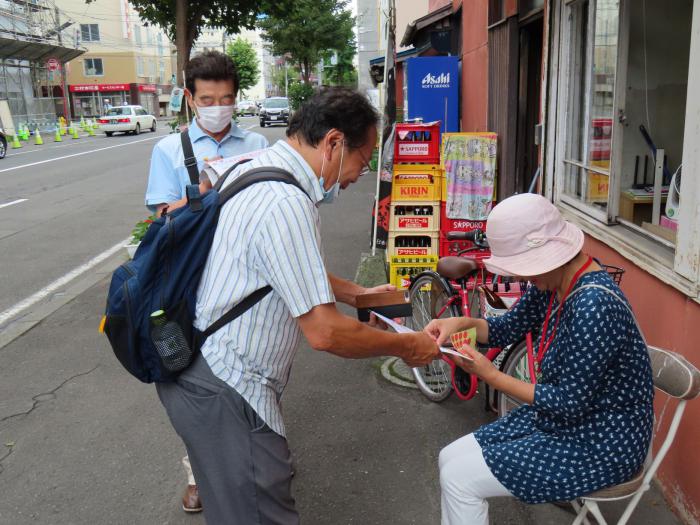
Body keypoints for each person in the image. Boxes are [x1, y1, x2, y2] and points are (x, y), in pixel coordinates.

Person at [155, 86, 439, 524]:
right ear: (333, 143)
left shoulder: (253, 165)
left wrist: (359, 294)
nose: (354, 177)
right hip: (229, 385)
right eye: (362, 164)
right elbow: (325, 333)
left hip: (202, 373)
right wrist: (408, 346)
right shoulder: (285, 202)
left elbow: (284, 266)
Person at [425, 193, 654, 525]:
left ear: (547, 255)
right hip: (570, 423)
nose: (523, 279)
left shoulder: (594, 305)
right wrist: (459, 323)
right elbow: (505, 329)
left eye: (524, 269)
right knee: (449, 459)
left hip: (604, 443)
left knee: (460, 479)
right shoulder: (555, 280)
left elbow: (569, 403)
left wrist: (490, 375)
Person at [145, 50, 269, 513]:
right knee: (199, 381)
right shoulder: (169, 150)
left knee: (257, 368)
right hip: (193, 283)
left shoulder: (255, 141)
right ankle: (199, 470)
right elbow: (157, 217)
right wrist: (203, 195)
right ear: (190, 99)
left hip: (251, 279)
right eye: (208, 98)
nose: (218, 107)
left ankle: (264, 453)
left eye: (227, 98)